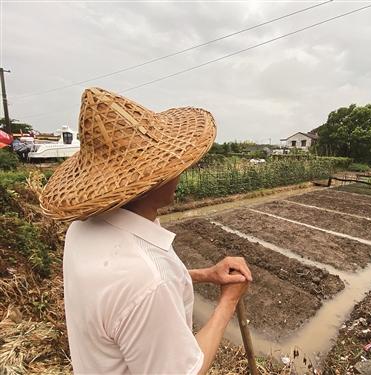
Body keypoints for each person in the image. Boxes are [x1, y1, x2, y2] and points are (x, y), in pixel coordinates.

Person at [39, 87, 253, 374]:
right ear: (150, 182)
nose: (180, 171)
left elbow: (122, 300)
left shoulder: (81, 229)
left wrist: (206, 275)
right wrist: (229, 301)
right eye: (172, 163)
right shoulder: (147, 279)